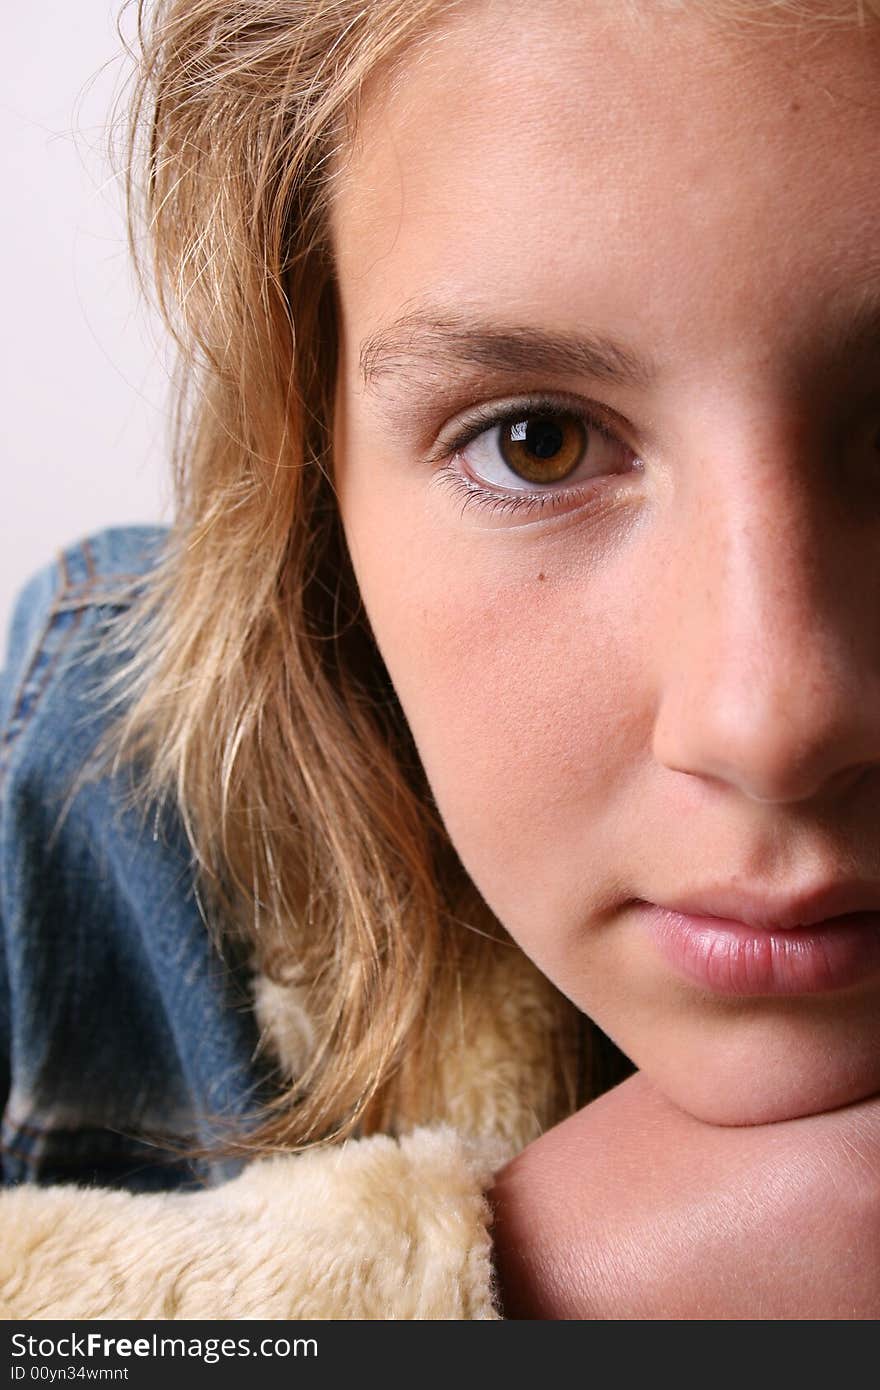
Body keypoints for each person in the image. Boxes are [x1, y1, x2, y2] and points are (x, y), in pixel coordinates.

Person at [3, 0, 880, 1319]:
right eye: (538, 441)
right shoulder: (114, 778)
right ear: (312, 465)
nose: (771, 719)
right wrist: (541, 1271)